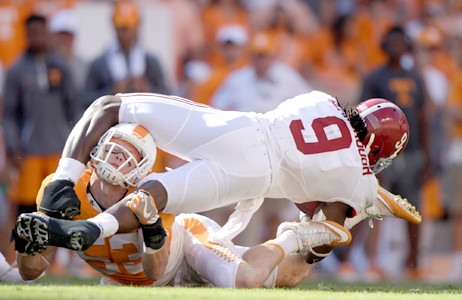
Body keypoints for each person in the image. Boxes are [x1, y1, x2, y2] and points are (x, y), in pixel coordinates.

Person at [14, 90, 421, 266]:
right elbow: (319, 239)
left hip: (241, 128)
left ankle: (61, 182)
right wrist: (353, 212)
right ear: (379, 149)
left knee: (111, 106)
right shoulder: (359, 181)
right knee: (158, 196)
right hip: (254, 175)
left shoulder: (321, 101)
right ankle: (91, 228)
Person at [14, 123, 343, 288]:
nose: (117, 156)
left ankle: (298, 235)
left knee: (258, 278)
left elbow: (155, 270)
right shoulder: (63, 190)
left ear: (142, 169)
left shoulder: (154, 192)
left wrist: (153, 228)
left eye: (128, 154)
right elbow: (32, 272)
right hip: (124, 283)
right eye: (114, 148)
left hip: (183, 247)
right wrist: (29, 242)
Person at [2, 14, 79, 248]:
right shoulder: (16, 70)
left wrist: (73, 141)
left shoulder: (61, 66)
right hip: (30, 152)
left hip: (58, 150)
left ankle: (57, 258)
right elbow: (9, 114)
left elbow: (73, 107)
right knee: (26, 205)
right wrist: (14, 146)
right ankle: (22, 253)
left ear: (47, 33)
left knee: (59, 205)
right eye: (32, 32)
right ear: (26, 35)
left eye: (41, 32)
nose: (37, 37)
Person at [359, 26, 430, 279]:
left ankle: (413, 264)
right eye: (392, 42)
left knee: (413, 209)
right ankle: (372, 262)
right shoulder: (375, 77)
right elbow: (362, 119)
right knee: (376, 207)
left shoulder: (416, 77)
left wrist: (427, 157)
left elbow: (422, 118)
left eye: (400, 42)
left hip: (412, 152)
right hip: (384, 153)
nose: (396, 47)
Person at [82, 0, 169, 108]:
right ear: (114, 27)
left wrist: (146, 89)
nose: (125, 34)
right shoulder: (99, 64)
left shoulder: (150, 63)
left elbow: (168, 96)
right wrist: (112, 91)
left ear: (137, 26)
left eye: (128, 28)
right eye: (122, 28)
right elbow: (84, 100)